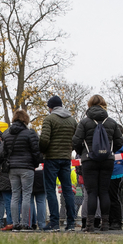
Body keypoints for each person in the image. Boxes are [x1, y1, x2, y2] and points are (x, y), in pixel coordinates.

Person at [72, 95, 123, 232]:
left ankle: (89, 225)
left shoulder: (84, 122)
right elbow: (119, 142)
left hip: (89, 160)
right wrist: (109, 152)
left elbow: (76, 141)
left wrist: (83, 153)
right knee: (104, 192)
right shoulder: (112, 122)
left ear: (89, 105)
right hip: (107, 161)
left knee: (91, 192)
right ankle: (105, 224)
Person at [0, 110, 41, 230]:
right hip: (27, 167)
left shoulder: (6, 134)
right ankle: (25, 223)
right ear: (25, 119)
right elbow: (36, 151)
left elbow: (3, 153)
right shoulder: (30, 133)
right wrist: (35, 163)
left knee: (15, 195)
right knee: (26, 195)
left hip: (12, 168)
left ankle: (15, 223)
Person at [39, 95, 78, 231]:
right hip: (66, 159)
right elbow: (76, 139)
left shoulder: (49, 119)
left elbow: (44, 140)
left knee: (50, 190)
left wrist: (42, 152)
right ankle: (71, 223)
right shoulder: (72, 121)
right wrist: (68, 149)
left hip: (51, 158)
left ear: (50, 107)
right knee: (67, 190)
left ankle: (54, 222)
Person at [0, 130, 13, 230]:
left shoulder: (3, 144)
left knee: (3, 200)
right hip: (18, 171)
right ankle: (16, 221)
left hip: (3, 174)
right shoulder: (21, 140)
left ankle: (1, 222)